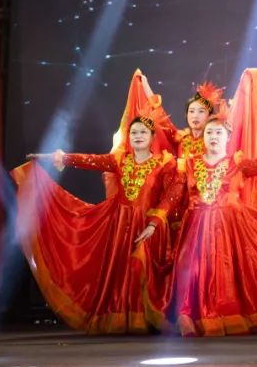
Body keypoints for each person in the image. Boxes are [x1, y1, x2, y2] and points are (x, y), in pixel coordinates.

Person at [13, 102, 179, 333]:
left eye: (143, 132)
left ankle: (145, 319)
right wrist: (57, 157)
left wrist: (154, 223)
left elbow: (170, 197)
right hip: (120, 224)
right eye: (134, 132)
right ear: (129, 137)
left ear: (152, 137)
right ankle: (124, 318)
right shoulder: (120, 160)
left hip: (148, 225)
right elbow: (89, 160)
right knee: (121, 271)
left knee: (142, 270)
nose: (138, 136)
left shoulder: (164, 163)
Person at [167, 113, 257, 336]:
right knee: (193, 271)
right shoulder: (189, 164)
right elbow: (174, 194)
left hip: (227, 229)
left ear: (227, 137)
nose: (213, 136)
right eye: (209, 132)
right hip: (196, 227)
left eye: (218, 132)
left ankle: (220, 315)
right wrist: (156, 219)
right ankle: (188, 316)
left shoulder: (237, 163)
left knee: (224, 273)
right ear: (203, 137)